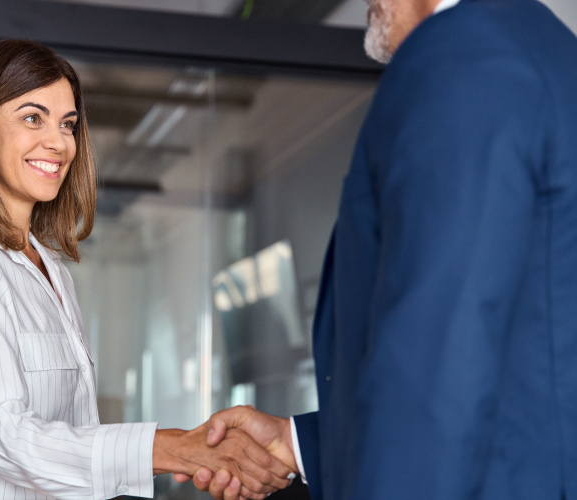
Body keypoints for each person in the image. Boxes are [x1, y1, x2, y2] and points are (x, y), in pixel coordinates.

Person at [181, 0, 577, 498]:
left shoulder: (461, 60)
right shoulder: (545, 51)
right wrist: (297, 442)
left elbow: (438, 356)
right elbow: (524, 373)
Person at [0, 39, 293, 500]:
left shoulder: (51, 269)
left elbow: (69, 444)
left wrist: (198, 452)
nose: (59, 142)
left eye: (68, 124)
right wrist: (175, 448)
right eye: (32, 117)